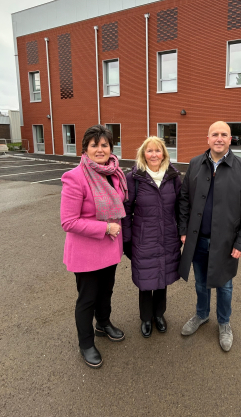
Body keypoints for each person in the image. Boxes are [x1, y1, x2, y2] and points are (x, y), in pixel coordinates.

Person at [178, 121, 241, 351]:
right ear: (208, 138)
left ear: (230, 139)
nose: (219, 138)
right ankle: (201, 314)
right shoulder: (194, 164)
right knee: (201, 283)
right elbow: (183, 200)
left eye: (224, 134)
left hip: (226, 243)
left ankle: (224, 322)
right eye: (215, 134)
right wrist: (183, 230)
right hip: (198, 240)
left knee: (225, 285)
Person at [60, 125, 128, 368]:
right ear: (85, 149)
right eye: (94, 145)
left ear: (111, 148)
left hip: (110, 249)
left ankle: (103, 323)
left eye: (104, 145)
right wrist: (105, 228)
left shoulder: (114, 173)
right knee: (87, 298)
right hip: (87, 252)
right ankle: (86, 343)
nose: (100, 149)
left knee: (106, 291)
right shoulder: (75, 177)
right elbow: (68, 221)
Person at [122, 136, 181, 338]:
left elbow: (181, 207)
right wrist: (127, 241)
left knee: (162, 277)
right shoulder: (133, 178)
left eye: (158, 150)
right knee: (146, 280)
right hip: (143, 239)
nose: (154, 154)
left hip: (168, 238)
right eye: (149, 150)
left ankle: (159, 315)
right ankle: (146, 318)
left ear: (164, 153)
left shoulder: (173, 177)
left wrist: (182, 232)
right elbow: (125, 211)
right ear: (143, 154)